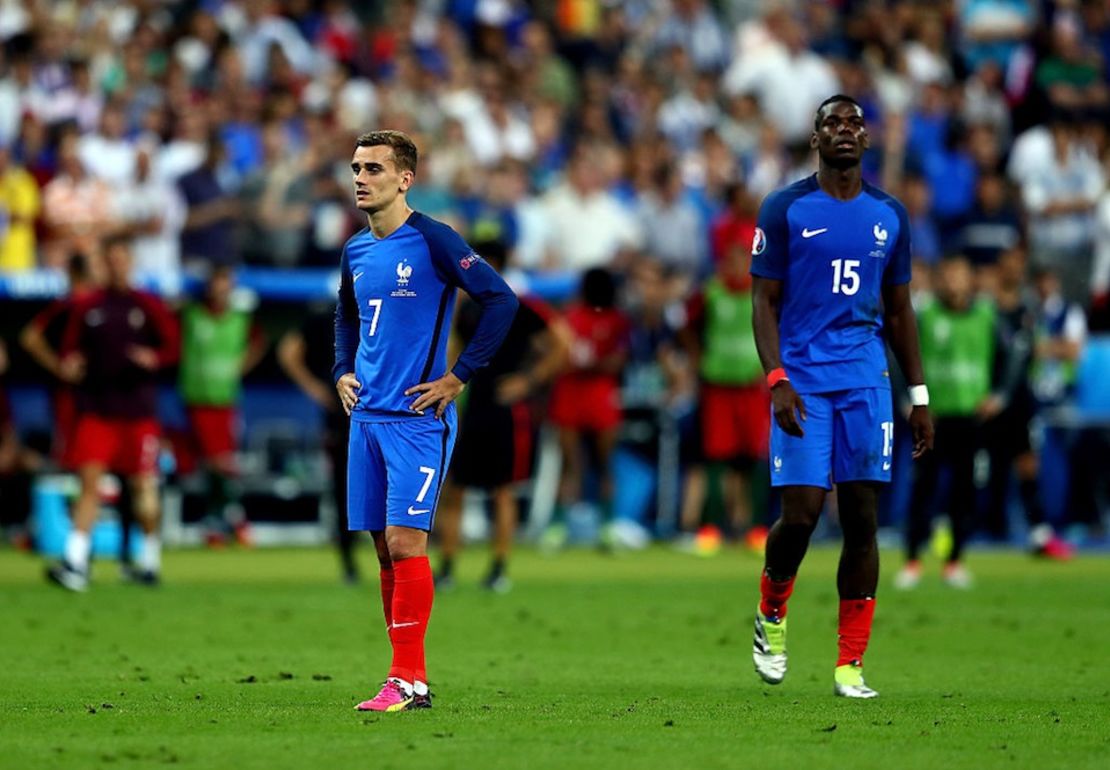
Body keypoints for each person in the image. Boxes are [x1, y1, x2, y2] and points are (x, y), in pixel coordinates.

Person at [749, 95, 934, 699]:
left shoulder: (890, 215)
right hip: (801, 382)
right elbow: (763, 303)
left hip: (865, 382)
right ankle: (772, 612)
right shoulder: (785, 209)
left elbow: (901, 310)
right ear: (815, 138)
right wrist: (776, 378)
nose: (845, 131)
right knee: (800, 515)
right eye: (833, 123)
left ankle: (850, 663)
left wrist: (920, 394)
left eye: (855, 122)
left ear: (867, 140)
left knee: (862, 521)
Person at [333, 130, 517, 712]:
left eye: (374, 169)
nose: (361, 178)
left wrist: (459, 376)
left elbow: (501, 300)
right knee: (384, 551)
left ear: (404, 179)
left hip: (417, 419)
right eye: (357, 168)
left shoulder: (434, 240)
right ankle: (409, 679)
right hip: (366, 418)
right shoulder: (355, 250)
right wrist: (342, 368)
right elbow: (344, 312)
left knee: (405, 540)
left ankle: (406, 679)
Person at [435, 240, 569, 593]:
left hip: (506, 409)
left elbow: (562, 342)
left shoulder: (520, 304)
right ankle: (448, 567)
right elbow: (451, 349)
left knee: (502, 490)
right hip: (473, 404)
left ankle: (498, 567)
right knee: (456, 488)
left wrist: (529, 381)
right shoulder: (466, 307)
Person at [47, 236, 180, 591]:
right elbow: (70, 351)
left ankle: (149, 561)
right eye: (112, 260)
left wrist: (155, 358)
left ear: (131, 263)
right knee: (89, 485)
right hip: (98, 409)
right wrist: (71, 364)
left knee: (143, 486)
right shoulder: (87, 307)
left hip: (138, 412)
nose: (118, 266)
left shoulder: (148, 305)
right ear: (104, 265)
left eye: (124, 259)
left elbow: (172, 347)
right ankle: (75, 562)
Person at [894, 254, 1006, 590]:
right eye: (948, 275)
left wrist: (998, 395)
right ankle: (912, 561)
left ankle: (954, 562)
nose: (954, 282)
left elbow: (1012, 354)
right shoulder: (926, 315)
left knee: (964, 493)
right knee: (922, 489)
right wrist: (907, 400)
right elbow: (898, 353)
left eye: (960, 274)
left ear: (971, 280)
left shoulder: (987, 316)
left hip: (971, 417)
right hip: (933, 418)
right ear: (939, 280)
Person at [542, 267, 631, 549]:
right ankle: (558, 527)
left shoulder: (616, 321)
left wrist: (588, 364)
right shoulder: (570, 316)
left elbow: (619, 359)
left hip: (597, 392)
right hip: (577, 392)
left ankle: (606, 527)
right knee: (572, 464)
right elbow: (558, 355)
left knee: (602, 464)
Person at [178, 265, 267, 546]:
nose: (221, 289)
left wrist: (243, 364)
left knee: (219, 462)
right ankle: (231, 519)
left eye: (225, 283)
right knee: (214, 462)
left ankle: (220, 522)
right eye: (217, 283)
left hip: (226, 398)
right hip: (198, 398)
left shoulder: (239, 319)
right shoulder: (191, 315)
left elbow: (259, 342)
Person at [277, 304, 359, 583]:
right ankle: (350, 561)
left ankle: (375, 559)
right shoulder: (327, 316)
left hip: (377, 412)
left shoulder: (387, 309)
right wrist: (315, 389)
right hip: (344, 413)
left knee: (365, 486)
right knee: (344, 486)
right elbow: (289, 351)